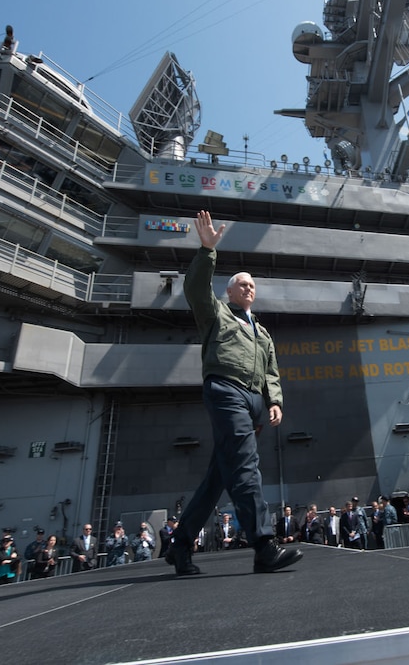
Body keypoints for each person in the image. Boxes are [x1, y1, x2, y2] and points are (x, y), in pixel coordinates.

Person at [166, 211, 301, 576]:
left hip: (254, 402)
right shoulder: (216, 315)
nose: (248, 288)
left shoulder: (264, 333)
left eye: (252, 285)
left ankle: (179, 547)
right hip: (226, 390)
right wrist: (207, 251)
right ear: (229, 291)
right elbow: (195, 289)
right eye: (241, 284)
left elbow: (271, 371)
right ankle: (263, 545)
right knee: (245, 467)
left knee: (219, 479)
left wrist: (274, 401)